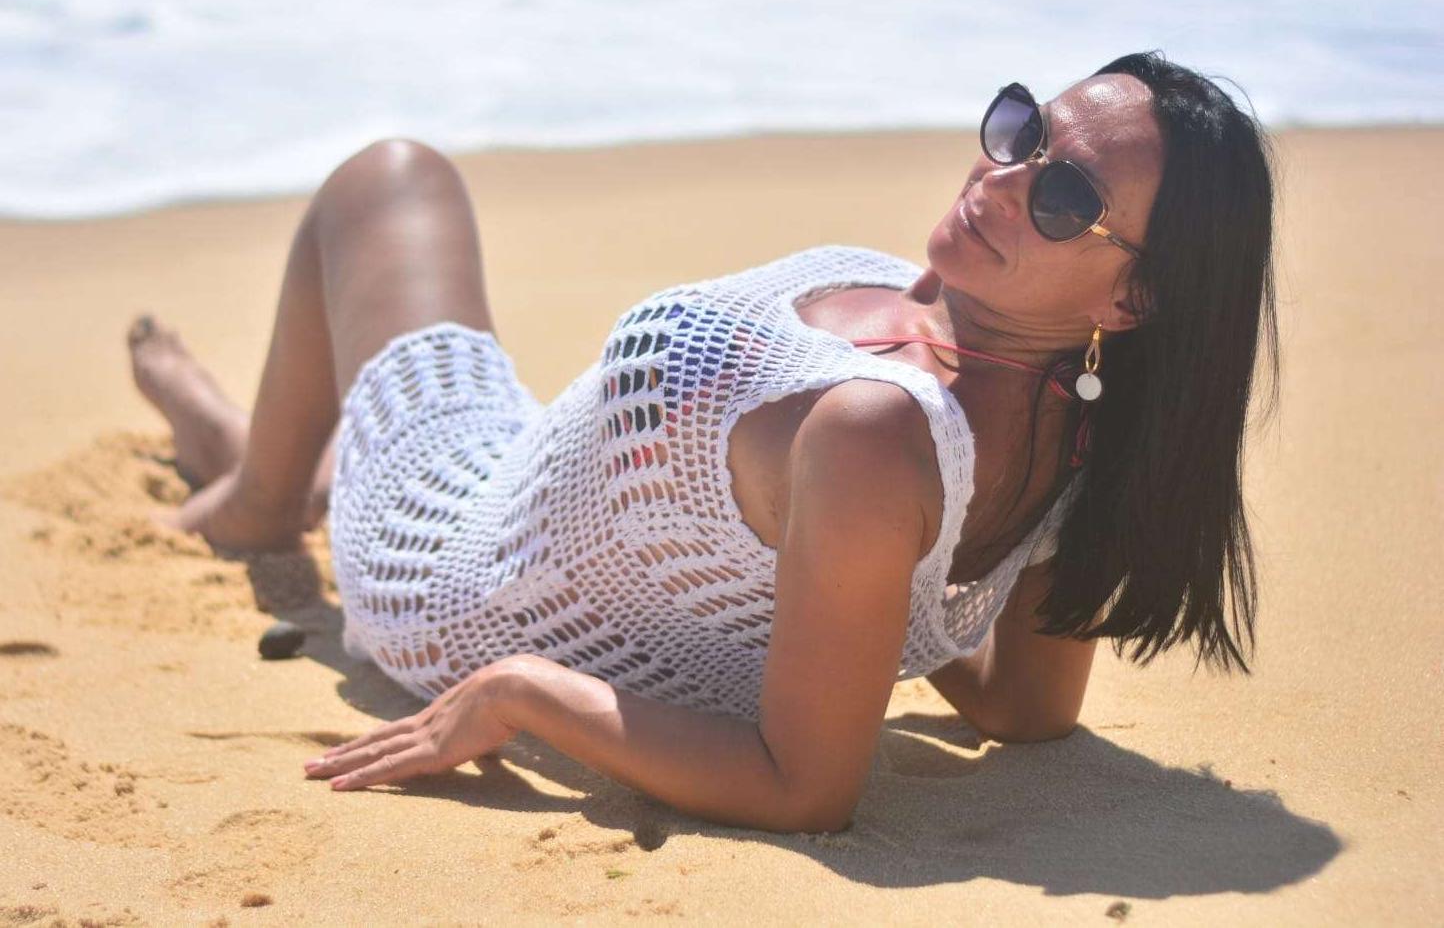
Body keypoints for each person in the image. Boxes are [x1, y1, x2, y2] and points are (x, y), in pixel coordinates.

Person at [127, 51, 1278, 834]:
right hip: (536, 504)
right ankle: (271, 457)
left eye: (1064, 196)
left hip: (452, 579)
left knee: (387, 179)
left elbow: (804, 786)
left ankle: (252, 501)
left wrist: (524, 692)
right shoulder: (1080, 429)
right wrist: (870, 589)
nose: (1001, 176)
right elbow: (1023, 707)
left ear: (1132, 299)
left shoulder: (881, 439)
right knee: (391, 356)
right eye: (1022, 128)